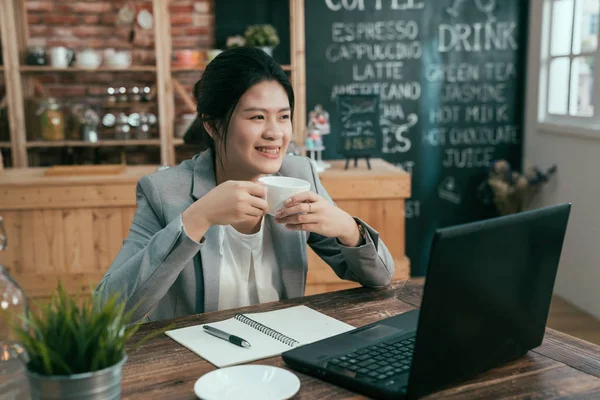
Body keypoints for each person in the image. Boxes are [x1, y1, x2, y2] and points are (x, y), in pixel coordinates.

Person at [96, 47, 394, 323]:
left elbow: (380, 277)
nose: (275, 133)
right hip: (195, 367)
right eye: (257, 117)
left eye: (283, 117)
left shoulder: (298, 174)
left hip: (281, 355)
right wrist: (197, 219)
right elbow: (107, 310)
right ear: (212, 125)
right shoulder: (164, 191)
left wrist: (347, 229)